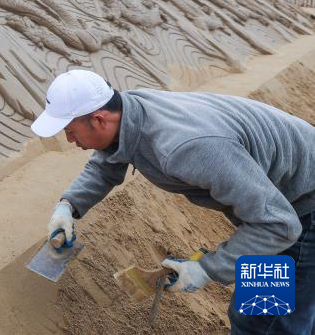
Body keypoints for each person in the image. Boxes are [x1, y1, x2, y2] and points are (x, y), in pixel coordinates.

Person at [34, 69, 315, 334]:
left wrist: (205, 269)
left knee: (262, 318)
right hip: (284, 199)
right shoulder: (132, 112)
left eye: (70, 130)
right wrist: (68, 206)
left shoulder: (186, 148)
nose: (68, 139)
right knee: (282, 312)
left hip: (304, 207)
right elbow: (107, 163)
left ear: (99, 119)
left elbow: (279, 225)